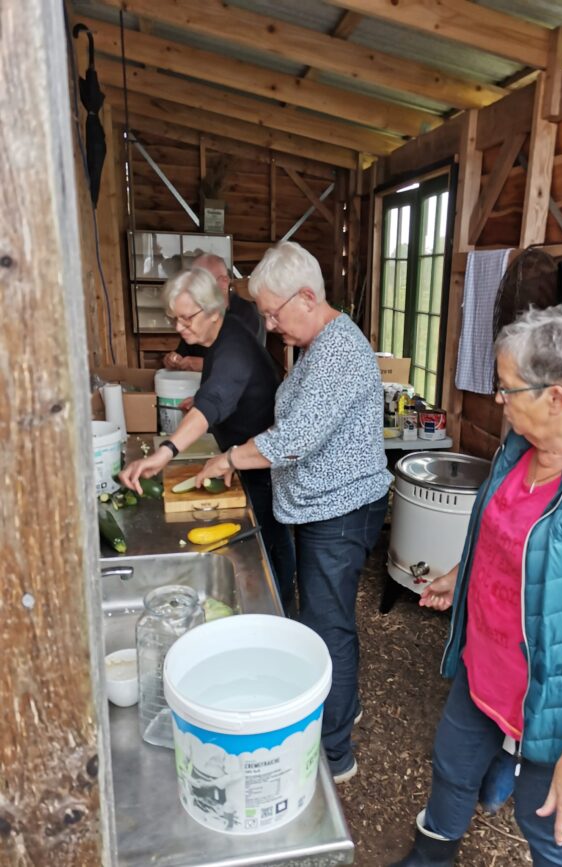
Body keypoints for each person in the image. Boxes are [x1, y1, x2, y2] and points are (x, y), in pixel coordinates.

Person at [391, 305, 562, 867]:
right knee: (453, 765)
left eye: (507, 388)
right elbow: (504, 532)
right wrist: (463, 580)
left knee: (544, 817)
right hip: (487, 658)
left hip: (558, 693)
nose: (499, 399)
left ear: (556, 397)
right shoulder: (523, 442)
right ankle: (431, 855)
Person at [195, 241, 392, 783]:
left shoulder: (337, 351)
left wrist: (231, 456)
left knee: (328, 626)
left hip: (341, 510)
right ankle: (341, 708)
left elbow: (297, 439)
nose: (269, 323)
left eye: (273, 312)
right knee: (321, 617)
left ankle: (335, 753)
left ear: (307, 297)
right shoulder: (315, 343)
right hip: (321, 505)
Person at [120, 266, 296, 610]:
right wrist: (200, 401)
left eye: (186, 318)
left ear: (214, 311)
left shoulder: (234, 348)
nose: (178, 327)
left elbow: (214, 400)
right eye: (174, 318)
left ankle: (280, 607)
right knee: (271, 535)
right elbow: (220, 392)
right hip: (241, 453)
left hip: (260, 460)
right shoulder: (218, 336)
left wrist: (165, 452)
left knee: (269, 540)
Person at [163, 254, 263, 372]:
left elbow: (242, 364)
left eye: (202, 282)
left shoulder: (245, 314)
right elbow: (183, 353)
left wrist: (203, 364)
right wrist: (174, 360)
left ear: (224, 282)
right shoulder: (195, 315)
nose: (193, 289)